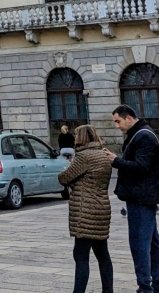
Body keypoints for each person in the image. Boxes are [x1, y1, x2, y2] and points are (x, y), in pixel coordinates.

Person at [103, 105, 159, 293]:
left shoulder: (144, 136)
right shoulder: (139, 134)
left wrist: (116, 161)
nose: (117, 126)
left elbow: (141, 167)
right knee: (152, 244)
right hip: (142, 196)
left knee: (139, 245)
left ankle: (145, 287)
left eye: (118, 121)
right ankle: (158, 285)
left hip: (141, 197)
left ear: (129, 118)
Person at [58, 125, 113, 293]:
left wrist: (67, 169)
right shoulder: (104, 155)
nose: (74, 139)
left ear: (81, 138)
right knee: (102, 254)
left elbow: (64, 178)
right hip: (102, 208)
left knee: (80, 255)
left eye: (76, 136)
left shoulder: (83, 157)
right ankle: (108, 291)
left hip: (85, 210)